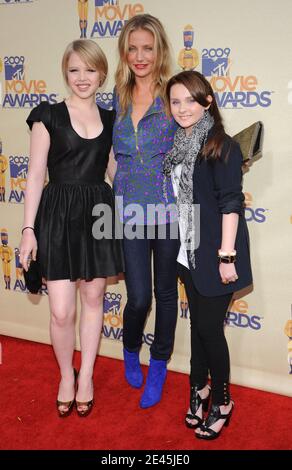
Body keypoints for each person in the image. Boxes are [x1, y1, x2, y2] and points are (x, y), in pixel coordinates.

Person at [19, 39, 124, 418]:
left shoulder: (113, 119)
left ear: (102, 74)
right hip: (58, 215)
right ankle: (66, 374)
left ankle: (86, 377)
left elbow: (116, 173)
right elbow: (33, 177)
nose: (82, 77)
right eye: (74, 69)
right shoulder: (47, 115)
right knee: (62, 311)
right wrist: (28, 230)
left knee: (93, 300)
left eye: (90, 70)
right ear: (65, 72)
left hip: (99, 215)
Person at [164, 70, 252, 439]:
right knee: (197, 326)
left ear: (207, 101)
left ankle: (223, 400)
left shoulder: (222, 145)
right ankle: (198, 388)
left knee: (208, 330)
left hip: (218, 252)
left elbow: (231, 202)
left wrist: (227, 256)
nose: (183, 108)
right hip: (189, 253)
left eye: (190, 100)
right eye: (175, 101)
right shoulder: (177, 145)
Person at [110, 14, 180, 408]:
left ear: (159, 51)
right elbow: (110, 157)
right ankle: (130, 347)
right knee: (138, 298)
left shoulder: (173, 96)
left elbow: (196, 139)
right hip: (129, 214)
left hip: (168, 212)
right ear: (125, 52)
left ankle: (159, 366)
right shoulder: (116, 99)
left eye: (147, 48)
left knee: (166, 295)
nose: (140, 56)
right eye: (133, 48)